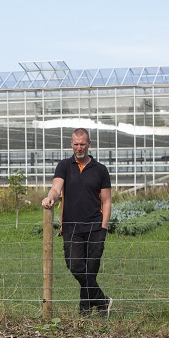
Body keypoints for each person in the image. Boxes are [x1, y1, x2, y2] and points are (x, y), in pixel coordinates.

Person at [42, 128, 112, 316]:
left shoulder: (100, 170)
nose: (79, 147)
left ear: (89, 144)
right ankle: (102, 300)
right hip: (72, 227)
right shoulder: (64, 166)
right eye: (75, 144)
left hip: (95, 227)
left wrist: (104, 227)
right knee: (75, 265)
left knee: (90, 270)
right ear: (71, 144)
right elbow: (56, 188)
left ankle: (85, 309)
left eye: (82, 144)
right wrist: (50, 197)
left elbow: (106, 201)